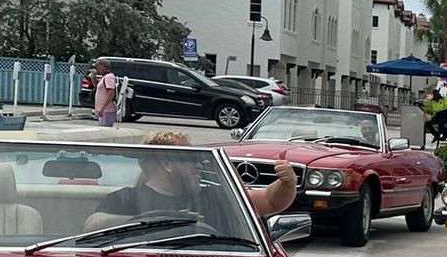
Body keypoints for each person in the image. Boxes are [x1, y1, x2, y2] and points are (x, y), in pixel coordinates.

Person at [88, 130, 296, 227]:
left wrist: (286, 182)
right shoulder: (126, 199)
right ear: (167, 164)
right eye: (190, 159)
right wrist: (156, 220)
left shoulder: (216, 197)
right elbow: (93, 225)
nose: (198, 164)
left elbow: (269, 200)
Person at [91, 60, 119, 126]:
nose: (96, 68)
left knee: (105, 129)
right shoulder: (104, 77)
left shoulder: (109, 77)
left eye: (97, 66)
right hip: (104, 110)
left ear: (103, 66)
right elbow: (97, 86)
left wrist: (102, 107)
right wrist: (93, 76)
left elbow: (111, 93)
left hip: (107, 110)